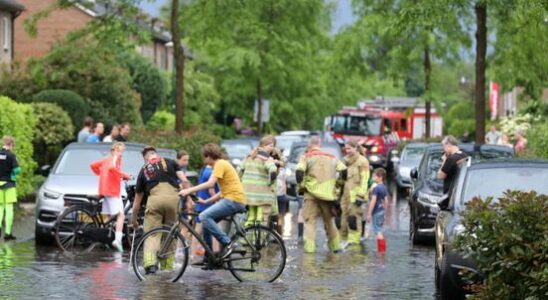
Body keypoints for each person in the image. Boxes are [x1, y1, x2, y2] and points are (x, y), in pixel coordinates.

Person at [179, 143, 246, 259]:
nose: (204, 160)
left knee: (204, 217)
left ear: (209, 156)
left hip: (233, 200)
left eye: (205, 157)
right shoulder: (222, 164)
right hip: (233, 199)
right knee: (206, 225)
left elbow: (210, 184)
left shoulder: (219, 164)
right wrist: (206, 201)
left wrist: (188, 190)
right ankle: (210, 256)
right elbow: (222, 191)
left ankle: (228, 243)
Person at [131, 146, 191, 274]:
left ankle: (151, 265)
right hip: (173, 201)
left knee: (152, 234)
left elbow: (137, 202)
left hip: (155, 202)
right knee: (171, 234)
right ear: (156, 154)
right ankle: (167, 267)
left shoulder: (144, 170)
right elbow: (185, 181)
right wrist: (189, 200)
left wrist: (134, 220)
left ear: (145, 158)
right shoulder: (170, 162)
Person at [296, 136, 347, 253]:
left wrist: (301, 186)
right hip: (328, 196)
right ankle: (335, 247)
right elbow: (344, 170)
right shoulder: (332, 157)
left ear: (310, 145)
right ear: (319, 145)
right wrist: (339, 185)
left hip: (311, 195)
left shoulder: (306, 157)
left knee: (310, 223)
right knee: (329, 221)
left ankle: (310, 250)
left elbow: (299, 173)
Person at [90, 142, 131, 252]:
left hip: (104, 190)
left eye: (121, 151)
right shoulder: (115, 159)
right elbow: (113, 168)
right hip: (111, 191)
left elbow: (93, 165)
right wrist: (124, 175)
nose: (120, 154)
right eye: (118, 151)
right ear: (113, 151)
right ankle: (117, 240)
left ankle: (107, 239)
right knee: (121, 215)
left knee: (109, 217)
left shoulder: (106, 160)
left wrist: (102, 174)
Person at [239, 136, 278, 227]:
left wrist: (239, 181)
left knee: (251, 215)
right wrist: (272, 176)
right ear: (264, 146)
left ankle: (248, 235)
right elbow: (272, 168)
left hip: (248, 191)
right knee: (261, 216)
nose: (273, 148)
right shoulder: (266, 158)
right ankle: (259, 231)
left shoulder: (249, 156)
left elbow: (239, 169)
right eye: (271, 146)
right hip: (261, 192)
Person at [340, 140, 370, 248]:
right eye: (346, 148)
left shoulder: (362, 161)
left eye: (349, 148)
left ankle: (354, 244)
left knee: (353, 220)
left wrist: (361, 195)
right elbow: (341, 179)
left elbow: (365, 179)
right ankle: (342, 241)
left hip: (356, 197)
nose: (347, 151)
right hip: (345, 195)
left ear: (355, 148)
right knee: (342, 219)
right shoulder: (345, 161)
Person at [0, 136, 20, 240]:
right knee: (9, 208)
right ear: (11, 144)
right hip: (9, 185)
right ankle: (7, 234)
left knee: (0, 208)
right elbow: (17, 170)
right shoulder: (12, 155)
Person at [367, 168, 388, 252]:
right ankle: (381, 249)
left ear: (380, 177)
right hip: (381, 211)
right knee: (379, 230)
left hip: (376, 212)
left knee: (378, 231)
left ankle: (381, 250)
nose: (372, 178)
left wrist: (369, 213)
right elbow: (386, 201)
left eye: (374, 176)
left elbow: (373, 201)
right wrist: (385, 212)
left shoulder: (376, 189)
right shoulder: (383, 187)